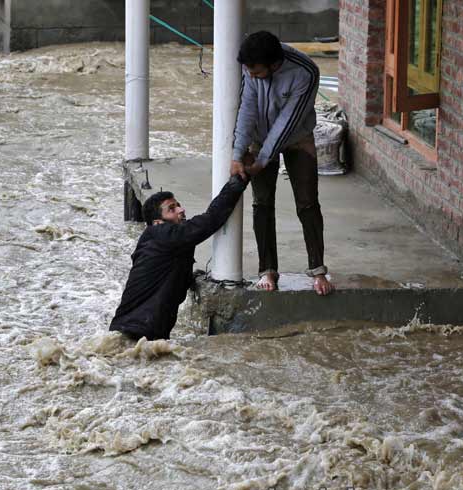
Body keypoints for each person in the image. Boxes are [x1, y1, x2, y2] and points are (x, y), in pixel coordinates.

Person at [231, 31, 334, 296]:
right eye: (248, 72)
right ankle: (268, 269)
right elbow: (246, 109)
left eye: (256, 72)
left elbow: (287, 123)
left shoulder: (305, 72)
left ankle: (318, 270)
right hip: (259, 137)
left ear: (274, 65)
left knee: (308, 202)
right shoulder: (251, 66)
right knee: (262, 203)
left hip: (297, 137)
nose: (250, 76)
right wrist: (237, 154)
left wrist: (263, 160)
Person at [110, 175, 249, 341]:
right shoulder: (163, 234)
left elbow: (166, 277)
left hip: (136, 335)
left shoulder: (161, 244)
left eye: (178, 205)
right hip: (137, 333)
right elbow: (210, 220)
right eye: (172, 209)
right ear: (158, 223)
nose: (181, 210)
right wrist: (238, 181)